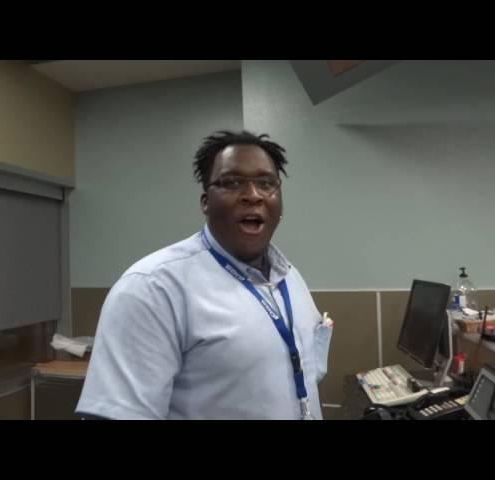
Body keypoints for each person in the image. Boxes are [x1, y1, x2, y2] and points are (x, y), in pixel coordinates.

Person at [76, 130, 333, 420]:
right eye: (233, 182)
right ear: (206, 201)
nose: (253, 195)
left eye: (266, 183)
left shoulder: (290, 278)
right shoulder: (152, 288)